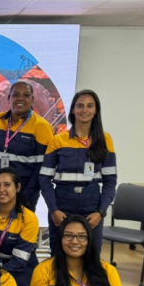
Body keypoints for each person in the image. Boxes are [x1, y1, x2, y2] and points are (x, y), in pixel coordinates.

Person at [39, 90, 117, 255]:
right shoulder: (58, 140)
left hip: (92, 206)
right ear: (73, 110)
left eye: (90, 106)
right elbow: (44, 179)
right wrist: (53, 209)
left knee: (91, 255)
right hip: (62, 205)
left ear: (96, 110)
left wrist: (100, 212)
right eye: (80, 106)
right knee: (59, 254)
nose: (84, 110)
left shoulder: (105, 140)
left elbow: (110, 181)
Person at [0, 81, 54, 211]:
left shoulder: (42, 126)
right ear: (9, 98)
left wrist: (27, 194)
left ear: (32, 99)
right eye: (16, 95)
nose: (20, 98)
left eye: (26, 95)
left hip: (24, 190)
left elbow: (43, 166)